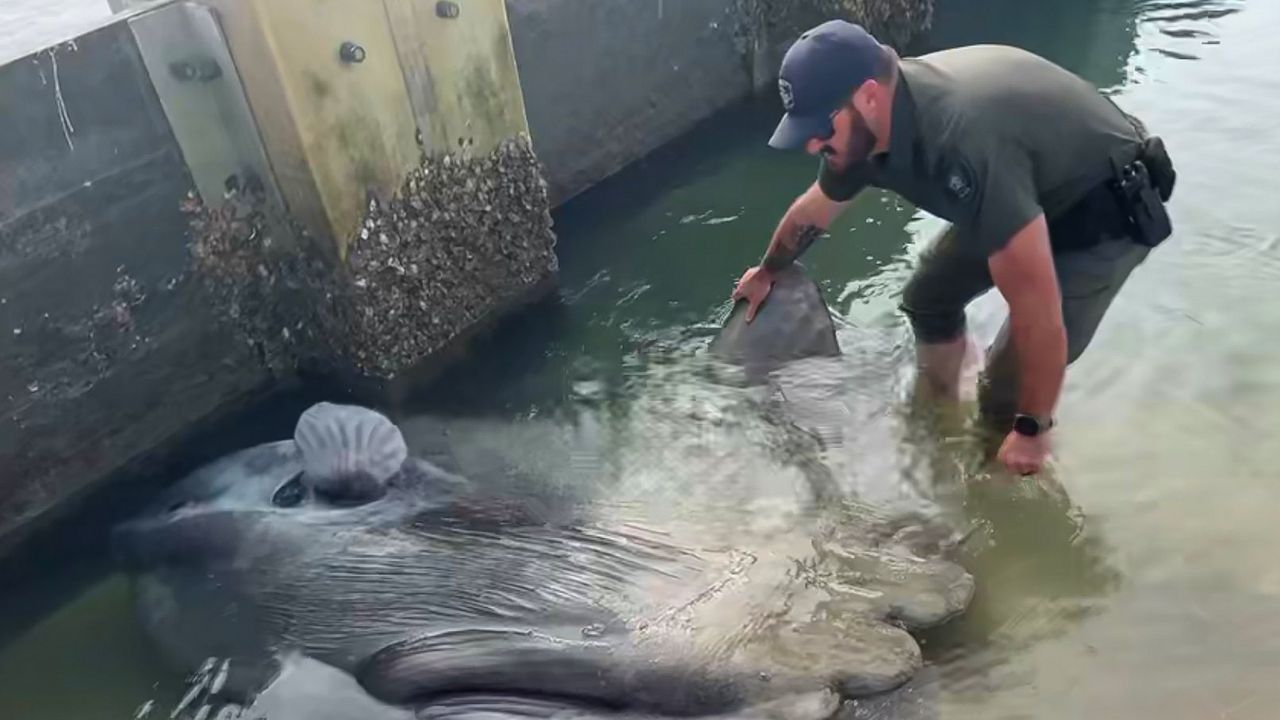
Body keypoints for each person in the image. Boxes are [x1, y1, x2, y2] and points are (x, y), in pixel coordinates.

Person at [733, 20, 1176, 476]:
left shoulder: (958, 140)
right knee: (927, 300)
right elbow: (813, 211)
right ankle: (941, 410)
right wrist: (768, 271)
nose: (812, 144)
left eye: (821, 127)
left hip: (1099, 207)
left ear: (868, 96)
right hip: (1020, 188)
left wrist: (1032, 429)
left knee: (1004, 400)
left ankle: (997, 485)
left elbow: (1036, 308)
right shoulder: (858, 137)